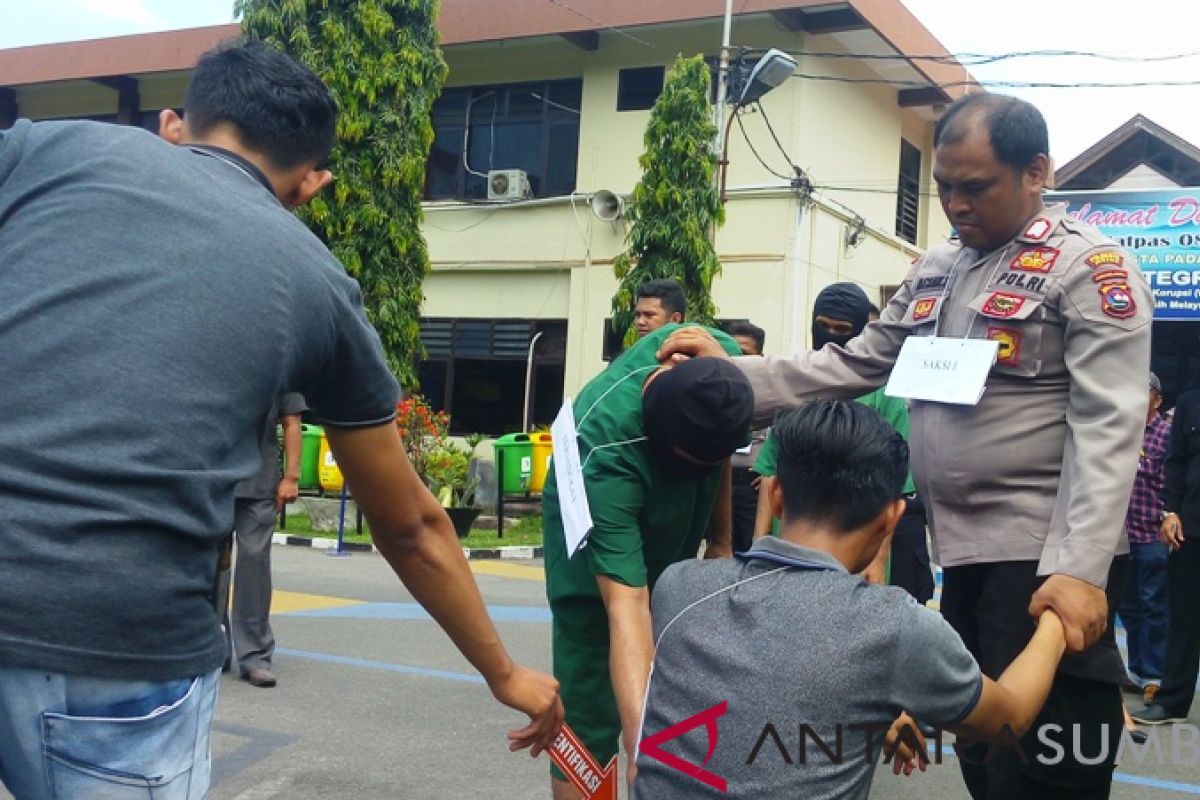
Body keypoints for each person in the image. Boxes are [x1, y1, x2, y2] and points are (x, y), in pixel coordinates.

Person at [0, 39, 560, 800]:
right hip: (121, 639)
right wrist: (506, 673)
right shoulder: (318, 281)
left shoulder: (45, 149)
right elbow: (410, 526)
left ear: (174, 124)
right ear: (310, 184)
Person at [660, 92, 1153, 798]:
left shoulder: (1088, 270)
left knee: (1047, 767)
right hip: (965, 557)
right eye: (945, 186)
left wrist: (1078, 570)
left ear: (1037, 172)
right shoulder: (938, 269)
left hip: (1041, 559)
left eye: (974, 186)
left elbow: (1110, 424)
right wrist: (726, 376)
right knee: (986, 756)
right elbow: (853, 364)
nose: (955, 203)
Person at [633, 401, 1069, 799]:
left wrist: (870, 709)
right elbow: (1009, 715)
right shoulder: (893, 626)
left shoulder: (679, 587)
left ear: (777, 494)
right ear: (892, 517)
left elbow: (759, 676)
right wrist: (1056, 616)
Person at [543, 323, 752, 798]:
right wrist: (645, 756)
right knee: (590, 689)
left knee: (681, 669)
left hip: (673, 506)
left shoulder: (715, 361)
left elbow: (717, 451)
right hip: (594, 532)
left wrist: (721, 541)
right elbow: (627, 606)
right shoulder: (605, 449)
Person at [752, 283, 934, 602]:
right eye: (823, 326)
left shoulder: (883, 390)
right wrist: (757, 548)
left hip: (857, 538)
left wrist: (877, 561)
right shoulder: (799, 383)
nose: (831, 335)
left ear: (861, 331)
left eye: (842, 329)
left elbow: (896, 488)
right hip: (791, 540)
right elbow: (771, 475)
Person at [214, 392, 307, 688]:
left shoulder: (281, 358)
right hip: (215, 480)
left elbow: (292, 422)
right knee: (213, 566)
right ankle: (215, 647)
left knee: (254, 564)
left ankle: (254, 656)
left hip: (259, 482)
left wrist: (291, 477)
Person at [1135, 380, 1200, 725]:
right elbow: (1175, 464)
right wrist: (1170, 511)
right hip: (1191, 527)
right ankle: (1171, 702)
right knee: (1183, 619)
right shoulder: (1189, 401)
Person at [1118, 373, 1171, 706]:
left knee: (1154, 605)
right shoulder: (1122, 432)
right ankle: (1136, 671)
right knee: (1128, 606)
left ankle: (1155, 673)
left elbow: (1172, 481)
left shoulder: (1166, 434)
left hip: (1152, 533)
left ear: (1157, 399)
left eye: (1146, 391)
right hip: (1122, 536)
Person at [723, 320, 768, 553]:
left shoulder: (772, 393)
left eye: (745, 354)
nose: (738, 361)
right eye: (733, 354)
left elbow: (783, 436)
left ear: (760, 357)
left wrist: (772, 469)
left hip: (752, 486)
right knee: (720, 550)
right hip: (720, 482)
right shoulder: (716, 388)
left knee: (750, 550)